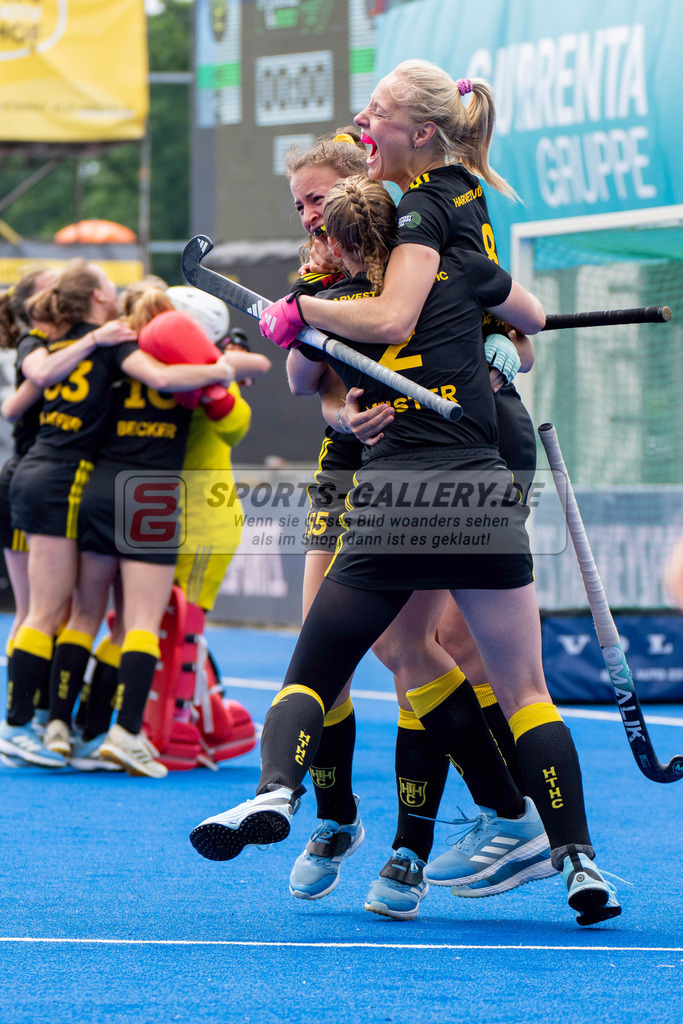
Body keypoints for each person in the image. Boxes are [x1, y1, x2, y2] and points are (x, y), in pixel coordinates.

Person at [191, 174, 621, 928]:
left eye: (319, 209)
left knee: (320, 665)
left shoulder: (356, 305)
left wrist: (305, 317)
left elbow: (306, 365)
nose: (310, 221)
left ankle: (284, 790)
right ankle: (573, 855)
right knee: (521, 690)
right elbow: (530, 314)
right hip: (473, 497)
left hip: (392, 505)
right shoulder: (448, 269)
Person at [281, 129, 543, 918]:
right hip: (346, 469)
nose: (309, 220)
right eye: (299, 206)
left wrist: (506, 347)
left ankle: (413, 847)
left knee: (420, 650)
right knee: (320, 643)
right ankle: (334, 819)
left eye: (320, 201)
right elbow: (315, 386)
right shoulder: (320, 272)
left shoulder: (419, 248)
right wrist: (346, 411)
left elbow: (517, 334)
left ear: (365, 189)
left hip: (439, 462)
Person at [0, 260, 236, 769]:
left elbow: (15, 405)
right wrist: (226, 367)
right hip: (117, 487)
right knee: (130, 622)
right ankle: (103, 731)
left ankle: (58, 724)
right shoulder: (120, 347)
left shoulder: (47, 344)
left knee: (62, 612)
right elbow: (214, 406)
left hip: (64, 478)